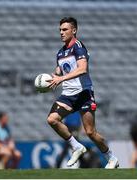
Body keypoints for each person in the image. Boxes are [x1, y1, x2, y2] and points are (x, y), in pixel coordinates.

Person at [47, 17, 119, 168]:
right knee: (52, 119)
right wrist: (49, 80)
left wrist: (61, 79)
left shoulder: (78, 47)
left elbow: (82, 69)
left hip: (83, 93)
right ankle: (77, 147)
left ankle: (111, 157)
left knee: (90, 132)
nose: (61, 32)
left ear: (74, 30)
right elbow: (59, 70)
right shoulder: (60, 52)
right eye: (60, 30)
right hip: (68, 95)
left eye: (65, 29)